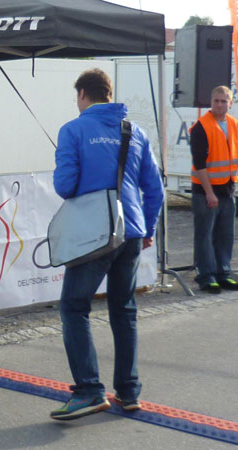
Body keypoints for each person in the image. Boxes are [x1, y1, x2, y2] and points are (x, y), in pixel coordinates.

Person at [50, 68, 164, 420]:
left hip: (95, 232)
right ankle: (128, 393)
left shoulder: (73, 129)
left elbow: (65, 186)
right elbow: (155, 189)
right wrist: (147, 228)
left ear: (83, 94)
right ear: (109, 94)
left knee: (74, 307)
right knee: (123, 310)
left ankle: (89, 391)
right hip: (131, 230)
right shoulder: (135, 131)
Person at [189, 86, 238, 293]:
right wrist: (209, 192)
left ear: (230, 103)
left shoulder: (233, 124)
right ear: (211, 101)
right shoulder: (201, 127)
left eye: (223, 101)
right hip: (205, 191)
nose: (219, 104)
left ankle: (223, 273)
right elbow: (199, 164)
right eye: (216, 100)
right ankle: (207, 276)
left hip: (227, 189)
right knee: (205, 236)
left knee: (225, 235)